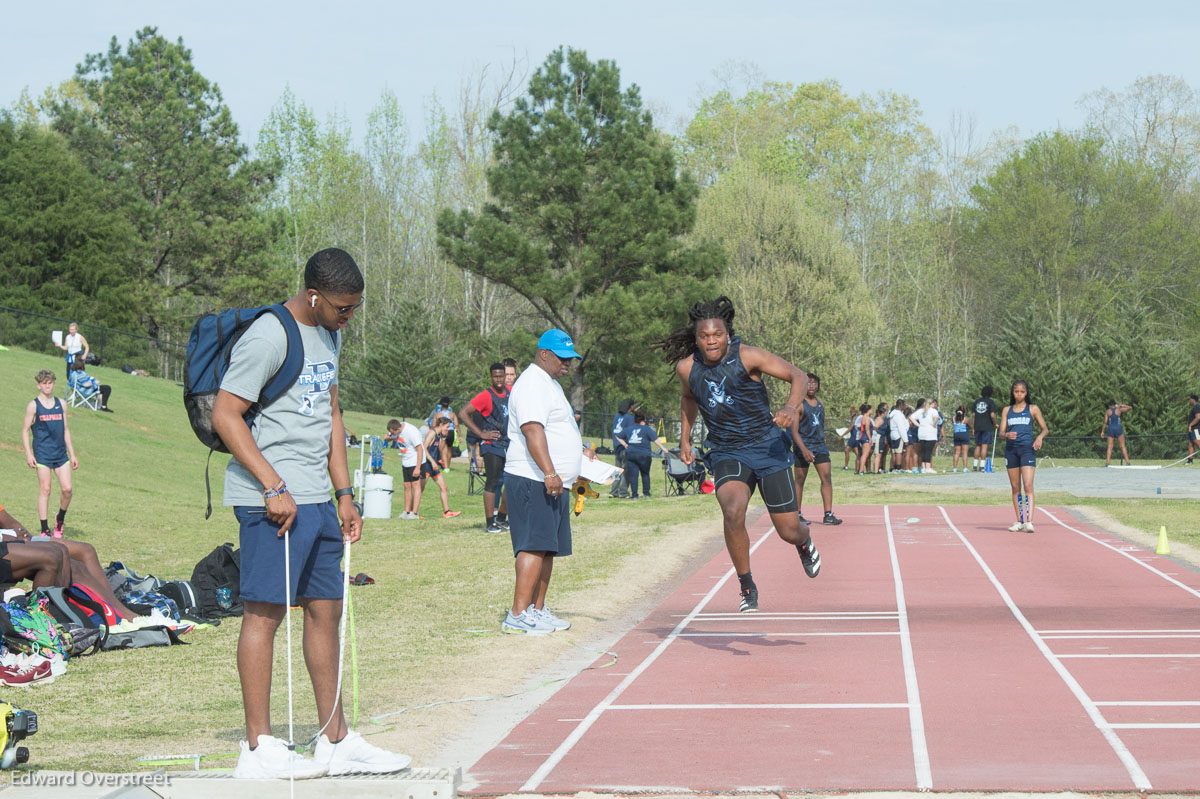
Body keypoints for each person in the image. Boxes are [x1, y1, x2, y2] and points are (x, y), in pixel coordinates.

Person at [211, 247, 408, 779]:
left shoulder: (332, 332)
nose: (349, 317)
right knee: (265, 614)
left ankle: (336, 740)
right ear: (314, 295)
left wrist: (346, 495)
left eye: (355, 309)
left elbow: (332, 412)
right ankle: (258, 748)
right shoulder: (270, 334)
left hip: (320, 501)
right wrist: (273, 485)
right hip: (271, 504)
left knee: (327, 611)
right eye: (343, 308)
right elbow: (226, 414)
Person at [658, 296, 820, 615]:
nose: (711, 341)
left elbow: (798, 376)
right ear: (696, 339)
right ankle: (746, 584)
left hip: (768, 446)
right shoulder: (687, 368)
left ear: (727, 334)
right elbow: (689, 400)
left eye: (716, 334)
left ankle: (804, 540)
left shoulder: (748, 356)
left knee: (787, 530)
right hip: (727, 449)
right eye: (704, 336)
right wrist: (685, 439)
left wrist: (790, 407)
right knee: (732, 509)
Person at [501, 329, 595, 635]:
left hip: (554, 481)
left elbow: (557, 430)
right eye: (563, 358)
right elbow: (532, 430)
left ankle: (537, 610)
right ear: (544, 354)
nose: (568, 364)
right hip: (533, 478)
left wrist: (579, 454)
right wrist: (550, 472)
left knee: (548, 548)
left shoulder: (550, 384)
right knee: (532, 546)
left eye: (571, 359)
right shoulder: (531, 383)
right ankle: (517, 614)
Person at [0, 501, 141, 621]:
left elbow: (8, 521)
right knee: (53, 556)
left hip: (10, 539)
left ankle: (113, 608)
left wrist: (24, 536)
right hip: (6, 542)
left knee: (85, 551)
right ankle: (49, 621)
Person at [21, 370, 79, 537]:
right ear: (38, 385)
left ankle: (59, 519)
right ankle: (45, 529)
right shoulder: (33, 406)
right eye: (44, 383)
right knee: (45, 489)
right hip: (42, 454)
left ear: (54, 384)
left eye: (50, 382)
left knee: (67, 489)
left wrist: (72, 453)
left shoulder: (61, 404)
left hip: (60, 454)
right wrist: (28, 454)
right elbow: (25, 430)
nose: (48, 386)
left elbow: (66, 430)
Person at [460, 363, 511, 534]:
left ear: (505, 376)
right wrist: (481, 433)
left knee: (512, 482)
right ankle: (490, 523)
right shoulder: (485, 396)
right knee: (493, 481)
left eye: (501, 376)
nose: (499, 379)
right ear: (491, 377)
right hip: (492, 445)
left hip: (509, 444)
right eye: (495, 376)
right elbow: (464, 413)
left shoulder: (511, 392)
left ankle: (502, 518)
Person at [789, 374, 842, 525]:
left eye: (814, 383)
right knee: (799, 480)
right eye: (808, 383)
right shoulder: (799, 405)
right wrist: (804, 450)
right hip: (803, 446)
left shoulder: (821, 404)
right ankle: (797, 514)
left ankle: (828, 515)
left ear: (818, 386)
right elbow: (794, 431)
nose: (811, 386)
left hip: (820, 446)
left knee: (826, 478)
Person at [998, 379, 1049, 533]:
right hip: (1011, 450)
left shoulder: (1033, 409)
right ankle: (1019, 521)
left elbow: (1045, 428)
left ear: (1026, 393)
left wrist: (1039, 438)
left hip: (1027, 449)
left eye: (1022, 392)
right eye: (1016, 391)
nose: (1019, 394)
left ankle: (1029, 521)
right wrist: (1006, 434)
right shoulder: (1007, 410)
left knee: (1027, 485)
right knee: (1015, 487)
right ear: (1012, 393)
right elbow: (1000, 433)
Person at [618, 411, 671, 499]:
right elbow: (655, 440)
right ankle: (646, 494)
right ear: (643, 421)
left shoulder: (629, 429)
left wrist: (624, 444)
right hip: (644, 455)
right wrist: (663, 448)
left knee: (633, 475)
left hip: (631, 454)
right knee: (645, 474)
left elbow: (618, 436)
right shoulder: (646, 428)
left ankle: (634, 495)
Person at [421, 417, 461, 518]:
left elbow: (441, 449)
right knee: (420, 489)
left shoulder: (439, 435)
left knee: (444, 487)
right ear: (441, 425)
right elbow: (424, 449)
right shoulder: (432, 433)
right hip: (427, 464)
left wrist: (443, 437)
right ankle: (412, 512)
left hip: (434, 466)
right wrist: (433, 462)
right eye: (447, 427)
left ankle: (447, 512)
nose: (448, 429)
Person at [388, 419, 425, 519]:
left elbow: (420, 449)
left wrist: (418, 468)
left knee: (416, 486)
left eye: (393, 433)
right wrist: (389, 437)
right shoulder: (396, 427)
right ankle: (407, 512)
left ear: (399, 429)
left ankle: (415, 513)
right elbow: (390, 436)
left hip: (415, 460)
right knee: (407, 486)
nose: (393, 434)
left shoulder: (411, 432)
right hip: (406, 461)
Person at [609, 399, 635, 498]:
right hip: (625, 446)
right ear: (630, 406)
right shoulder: (629, 418)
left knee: (617, 470)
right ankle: (623, 492)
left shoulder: (616, 416)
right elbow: (631, 432)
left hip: (617, 446)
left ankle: (613, 491)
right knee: (626, 470)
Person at [425, 397, 460, 464]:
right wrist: (460, 435)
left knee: (442, 449)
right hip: (451, 432)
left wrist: (433, 431)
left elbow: (432, 423)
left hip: (441, 432)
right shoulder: (451, 413)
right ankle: (447, 466)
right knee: (449, 449)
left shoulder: (437, 412)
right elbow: (456, 424)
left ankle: (442, 463)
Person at [972, 386, 998, 471]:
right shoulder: (990, 402)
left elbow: (973, 415)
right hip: (987, 427)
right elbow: (992, 415)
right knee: (984, 446)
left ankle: (975, 465)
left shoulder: (977, 402)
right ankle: (982, 466)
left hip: (977, 426)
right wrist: (995, 423)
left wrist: (973, 427)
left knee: (978, 446)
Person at [913, 398, 941, 474]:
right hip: (930, 433)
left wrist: (918, 425)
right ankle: (928, 467)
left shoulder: (920, 411)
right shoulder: (933, 411)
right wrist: (934, 424)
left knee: (923, 451)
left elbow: (911, 417)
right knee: (928, 451)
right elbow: (936, 417)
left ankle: (924, 468)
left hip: (921, 433)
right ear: (932, 404)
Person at [1102, 400, 1132, 467]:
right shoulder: (1119, 410)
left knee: (1110, 447)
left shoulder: (1108, 411)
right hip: (1118, 428)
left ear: (1109, 405)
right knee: (1122, 446)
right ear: (1114, 404)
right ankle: (1128, 462)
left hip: (1111, 429)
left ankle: (1107, 463)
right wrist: (1122, 405)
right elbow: (1130, 407)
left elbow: (1105, 422)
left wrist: (1102, 431)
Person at [887, 399, 908, 472]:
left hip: (892, 434)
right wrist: (905, 439)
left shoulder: (892, 413)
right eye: (903, 405)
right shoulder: (899, 415)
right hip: (898, 435)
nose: (904, 407)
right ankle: (898, 468)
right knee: (899, 452)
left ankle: (893, 468)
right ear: (900, 405)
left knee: (894, 452)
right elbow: (901, 428)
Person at [855, 402, 874, 474]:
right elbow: (867, 429)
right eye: (871, 409)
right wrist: (870, 439)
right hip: (865, 437)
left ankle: (860, 470)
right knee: (865, 455)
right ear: (868, 410)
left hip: (862, 436)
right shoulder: (867, 418)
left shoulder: (863, 417)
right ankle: (861, 470)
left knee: (863, 454)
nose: (872, 411)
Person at [872, 402, 891, 474]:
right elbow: (874, 427)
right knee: (878, 455)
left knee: (879, 454)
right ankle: (876, 470)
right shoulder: (879, 419)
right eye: (886, 412)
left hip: (881, 437)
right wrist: (878, 433)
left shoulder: (884, 419)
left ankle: (877, 469)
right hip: (879, 437)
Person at [951, 406, 971, 472]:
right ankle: (965, 468)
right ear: (965, 412)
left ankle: (954, 468)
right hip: (964, 435)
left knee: (956, 453)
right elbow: (969, 426)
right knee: (964, 452)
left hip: (956, 435)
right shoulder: (966, 419)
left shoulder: (954, 418)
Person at [1187, 395, 1200, 464]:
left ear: (1193, 399)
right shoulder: (1194, 407)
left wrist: (1190, 425)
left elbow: (1198, 417)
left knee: (1198, 443)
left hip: (1195, 429)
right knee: (1190, 444)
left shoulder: (1197, 406)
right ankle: (1190, 460)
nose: (1189, 401)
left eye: (1190, 399)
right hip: (1191, 430)